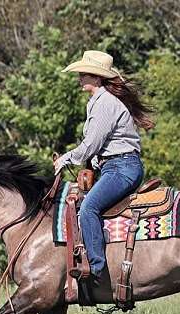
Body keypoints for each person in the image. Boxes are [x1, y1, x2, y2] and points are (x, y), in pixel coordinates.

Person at [54, 50, 155, 284]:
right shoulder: (97, 102)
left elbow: (90, 144)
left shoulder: (104, 104)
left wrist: (65, 159)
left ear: (97, 78)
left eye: (84, 74)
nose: (79, 77)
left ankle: (97, 269)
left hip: (122, 168)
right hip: (116, 167)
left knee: (88, 207)